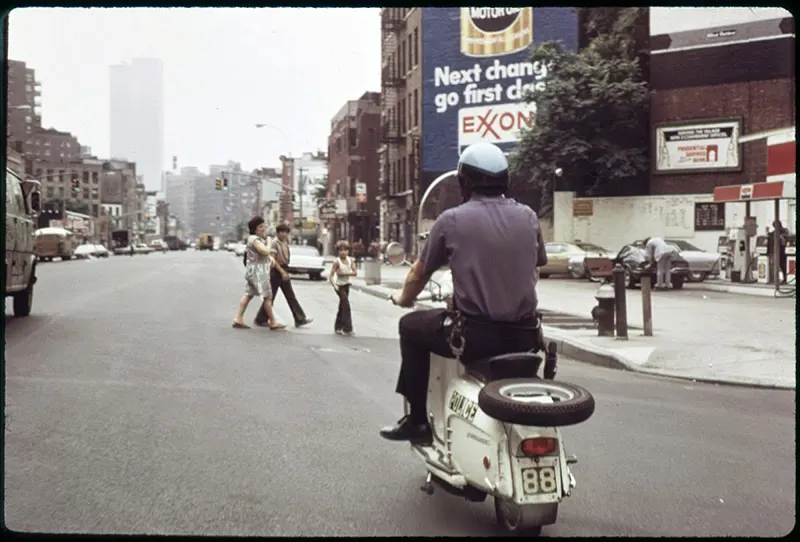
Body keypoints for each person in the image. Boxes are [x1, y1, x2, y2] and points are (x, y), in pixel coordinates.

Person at [381, 141, 547, 444]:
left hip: (476, 338)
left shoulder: (451, 220)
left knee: (410, 326)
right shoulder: (528, 217)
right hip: (526, 334)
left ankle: (417, 421)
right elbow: (535, 268)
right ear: (505, 180)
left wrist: (403, 298)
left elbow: (419, 273)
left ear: (464, 182)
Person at [253, 223, 313, 327]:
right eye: (282, 232)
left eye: (286, 232)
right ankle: (261, 318)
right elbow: (272, 259)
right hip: (276, 271)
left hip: (284, 268)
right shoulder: (274, 243)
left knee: (290, 296)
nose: (284, 234)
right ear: (278, 233)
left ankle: (299, 318)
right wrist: (282, 272)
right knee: (271, 296)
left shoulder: (285, 243)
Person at [232, 216, 286, 330]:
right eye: (261, 227)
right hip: (259, 272)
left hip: (254, 270)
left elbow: (262, 255)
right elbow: (265, 251)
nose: (263, 228)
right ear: (255, 229)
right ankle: (273, 321)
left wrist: (269, 258)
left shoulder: (255, 239)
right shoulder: (254, 240)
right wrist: (270, 242)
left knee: (249, 294)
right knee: (267, 296)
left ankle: (238, 318)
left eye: (264, 226)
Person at [329, 240, 357, 335]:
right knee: (346, 306)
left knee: (342, 307)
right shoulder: (337, 262)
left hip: (347, 285)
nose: (343, 252)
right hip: (339, 286)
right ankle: (347, 328)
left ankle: (338, 326)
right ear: (338, 251)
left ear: (348, 251)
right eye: (341, 250)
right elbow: (331, 276)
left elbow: (355, 272)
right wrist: (334, 286)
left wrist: (343, 273)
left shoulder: (351, 261)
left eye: (345, 250)